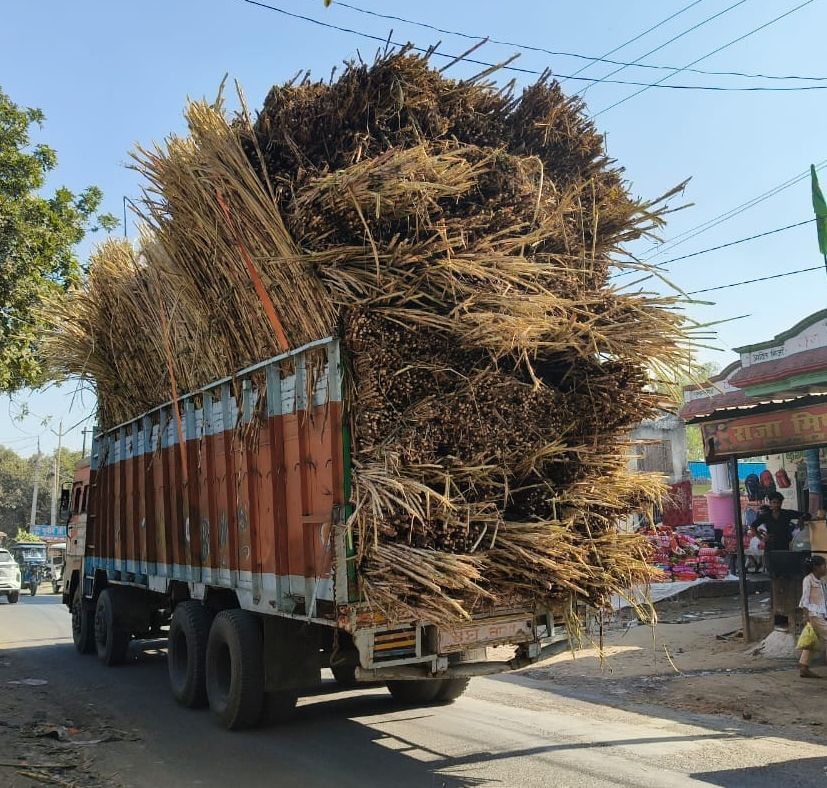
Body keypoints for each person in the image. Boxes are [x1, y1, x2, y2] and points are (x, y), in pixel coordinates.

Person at [799, 555, 827, 678]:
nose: (825, 568)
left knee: (811, 640)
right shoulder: (808, 580)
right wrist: (806, 616)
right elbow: (805, 599)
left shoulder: (821, 581)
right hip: (814, 614)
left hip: (819, 614)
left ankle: (804, 667)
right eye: (824, 566)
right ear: (816, 567)